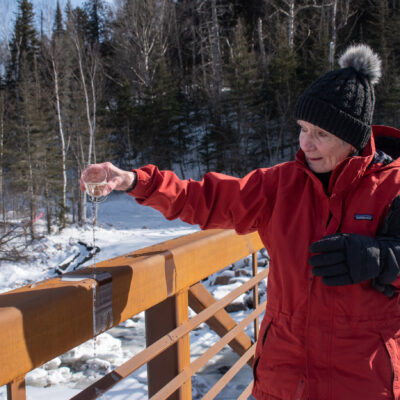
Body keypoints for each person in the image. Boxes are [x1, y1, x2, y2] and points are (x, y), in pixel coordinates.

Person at [80, 44, 400, 400]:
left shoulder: (393, 187)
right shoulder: (280, 185)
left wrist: (381, 258)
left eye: (321, 134)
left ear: (353, 140)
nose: (306, 143)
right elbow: (203, 199)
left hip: (363, 384)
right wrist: (134, 182)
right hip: (283, 381)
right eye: (303, 129)